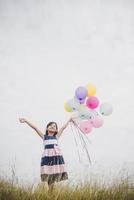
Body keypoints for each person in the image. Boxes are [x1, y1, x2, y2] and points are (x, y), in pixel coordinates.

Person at [19, 116, 74, 193]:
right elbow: (35, 128)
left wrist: (69, 120)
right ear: (47, 128)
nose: (52, 126)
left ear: (56, 130)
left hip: (55, 158)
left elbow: (63, 128)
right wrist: (26, 121)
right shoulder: (44, 137)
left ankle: (51, 191)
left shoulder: (56, 137)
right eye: (51, 125)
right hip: (47, 158)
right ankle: (50, 191)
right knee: (49, 175)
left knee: (54, 175)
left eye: (54, 126)